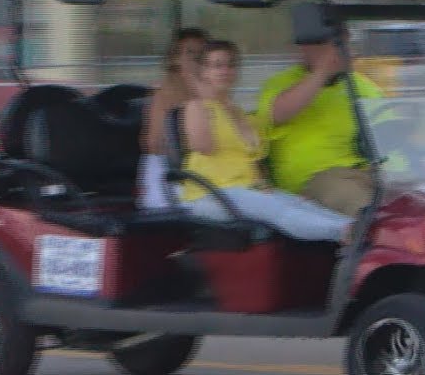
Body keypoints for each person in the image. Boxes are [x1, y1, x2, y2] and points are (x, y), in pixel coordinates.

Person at [178, 40, 352, 243]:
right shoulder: (197, 107)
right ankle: (346, 232)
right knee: (276, 208)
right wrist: (204, 96)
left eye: (231, 65)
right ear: (204, 72)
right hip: (210, 194)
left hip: (247, 189)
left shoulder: (242, 114)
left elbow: (252, 160)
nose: (225, 71)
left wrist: (264, 184)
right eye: (216, 65)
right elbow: (202, 145)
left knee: (300, 203)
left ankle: (363, 228)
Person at [256, 26, 382, 218]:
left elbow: (389, 136)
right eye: (331, 46)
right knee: (365, 208)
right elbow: (278, 113)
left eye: (341, 45)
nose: (339, 51)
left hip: (366, 173)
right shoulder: (281, 84)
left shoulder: (365, 88)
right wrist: (322, 71)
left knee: (413, 205)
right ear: (305, 49)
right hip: (315, 178)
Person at [137, 27, 207, 210]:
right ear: (176, 58)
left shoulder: (211, 91)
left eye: (202, 53)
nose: (197, 59)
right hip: (169, 170)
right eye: (191, 53)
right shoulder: (164, 91)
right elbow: (154, 143)